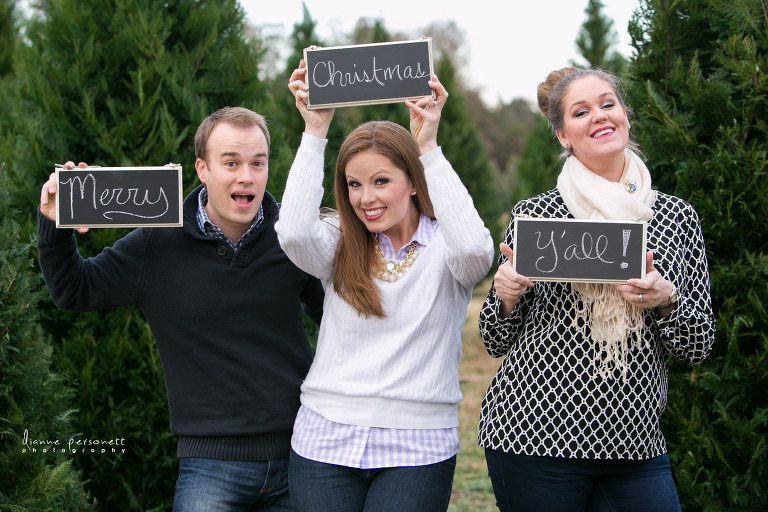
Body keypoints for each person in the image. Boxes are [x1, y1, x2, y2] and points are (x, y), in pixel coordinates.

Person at [37, 106, 324, 511]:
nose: (246, 176)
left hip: (302, 455)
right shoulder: (157, 243)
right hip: (210, 467)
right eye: (231, 163)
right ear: (202, 169)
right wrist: (55, 222)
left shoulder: (291, 240)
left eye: (257, 163)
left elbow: (339, 319)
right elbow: (74, 289)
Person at [477, 67, 715, 512]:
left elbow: (698, 344)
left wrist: (666, 300)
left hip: (634, 442)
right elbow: (494, 340)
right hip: (534, 437)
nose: (600, 116)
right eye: (581, 111)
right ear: (562, 135)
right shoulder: (537, 216)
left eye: (608, 104)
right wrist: (504, 296)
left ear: (624, 115)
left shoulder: (675, 217)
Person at [275, 61, 494, 512]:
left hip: (417, 447)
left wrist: (428, 147)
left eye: (381, 181)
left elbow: (477, 251)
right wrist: (315, 132)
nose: (366, 198)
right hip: (324, 440)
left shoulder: (447, 247)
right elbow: (293, 233)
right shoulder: (338, 241)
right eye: (354, 184)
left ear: (412, 181)